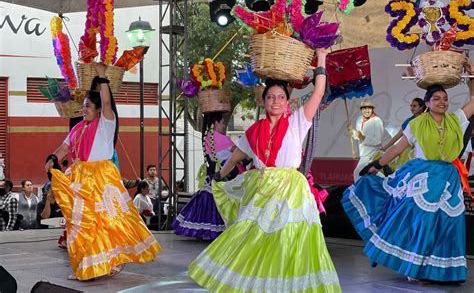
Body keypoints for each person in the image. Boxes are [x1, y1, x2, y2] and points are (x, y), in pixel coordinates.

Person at [188, 49, 341, 292]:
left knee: (289, 239)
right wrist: (221, 173)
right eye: (271, 97)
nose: (276, 102)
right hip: (262, 188)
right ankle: (258, 283)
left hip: (290, 190)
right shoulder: (254, 130)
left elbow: (319, 92)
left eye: (280, 97)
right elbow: (239, 154)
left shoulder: (298, 121)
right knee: (252, 235)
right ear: (263, 100)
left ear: (287, 100)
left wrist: (321, 58)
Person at [342, 75, 474, 282]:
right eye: (436, 98)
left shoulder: (455, 120)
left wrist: (472, 77)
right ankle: (414, 267)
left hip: (448, 178)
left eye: (445, 98)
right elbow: (397, 148)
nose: (442, 102)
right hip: (424, 179)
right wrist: (377, 165)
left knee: (448, 224)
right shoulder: (416, 125)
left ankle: (444, 271)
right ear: (428, 103)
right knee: (421, 222)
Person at [45, 63, 161, 281]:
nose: (84, 109)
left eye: (88, 106)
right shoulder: (78, 128)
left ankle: (113, 260)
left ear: (98, 109)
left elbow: (107, 101)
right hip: (80, 179)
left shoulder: (106, 123)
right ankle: (88, 265)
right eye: (84, 106)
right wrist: (52, 158)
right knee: (81, 223)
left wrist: (101, 77)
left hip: (101, 178)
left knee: (108, 221)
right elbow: (64, 149)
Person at [172, 111, 244, 240]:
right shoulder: (223, 139)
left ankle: (204, 231)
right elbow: (239, 153)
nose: (223, 126)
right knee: (223, 203)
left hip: (211, 176)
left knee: (207, 203)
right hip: (224, 177)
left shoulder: (207, 137)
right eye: (222, 123)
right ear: (216, 122)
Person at [349, 97, 384, 182]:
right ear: (361, 109)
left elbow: (378, 141)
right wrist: (352, 131)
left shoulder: (377, 121)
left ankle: (358, 192)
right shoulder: (359, 119)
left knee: (358, 173)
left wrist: (363, 137)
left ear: (372, 109)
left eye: (369, 108)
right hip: (364, 154)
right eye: (364, 108)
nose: (367, 110)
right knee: (373, 173)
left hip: (374, 154)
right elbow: (358, 135)